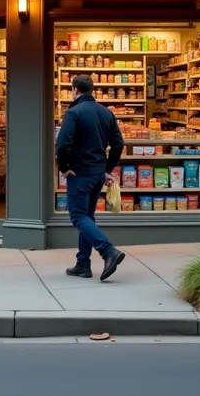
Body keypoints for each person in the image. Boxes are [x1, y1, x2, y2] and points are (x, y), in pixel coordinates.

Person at [56, 73, 125, 281]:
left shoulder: (74, 113)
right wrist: (108, 168)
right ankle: (83, 264)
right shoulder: (106, 113)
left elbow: (62, 144)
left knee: (78, 217)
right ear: (92, 89)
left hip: (80, 173)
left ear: (75, 90)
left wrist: (64, 167)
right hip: (97, 174)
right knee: (88, 217)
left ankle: (107, 251)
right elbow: (119, 144)